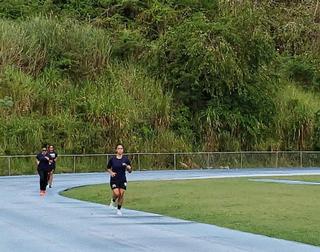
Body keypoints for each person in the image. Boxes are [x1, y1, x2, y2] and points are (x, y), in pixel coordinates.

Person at [106, 144, 132, 216]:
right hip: (114, 179)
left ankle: (119, 209)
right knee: (117, 193)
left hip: (122, 179)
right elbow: (108, 168)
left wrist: (128, 167)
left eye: (121, 148)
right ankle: (113, 200)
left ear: (123, 150)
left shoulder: (126, 159)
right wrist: (111, 173)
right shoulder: (112, 159)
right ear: (116, 150)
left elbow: (130, 171)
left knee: (121, 194)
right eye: (119, 148)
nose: (120, 150)